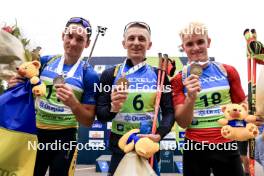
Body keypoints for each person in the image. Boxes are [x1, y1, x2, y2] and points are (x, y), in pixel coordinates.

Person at [8, 17, 99, 176]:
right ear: (62, 35)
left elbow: (88, 120)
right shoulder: (44, 61)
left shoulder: (89, 74)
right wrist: (14, 84)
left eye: (80, 39)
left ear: (87, 43)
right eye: (69, 36)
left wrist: (74, 104)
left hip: (65, 137)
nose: (72, 42)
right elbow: (22, 84)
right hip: (36, 133)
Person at [96, 21, 175, 175]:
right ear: (124, 43)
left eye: (141, 39)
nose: (136, 43)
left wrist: (159, 134)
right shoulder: (110, 74)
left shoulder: (159, 76)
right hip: (120, 145)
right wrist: (113, 108)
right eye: (131, 38)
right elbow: (101, 115)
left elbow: (169, 112)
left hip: (147, 144)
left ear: (149, 44)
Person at [171, 22, 246, 176]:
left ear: (208, 42)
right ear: (183, 47)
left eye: (200, 42)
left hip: (226, 144)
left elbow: (241, 106)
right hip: (195, 147)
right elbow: (183, 122)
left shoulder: (227, 71)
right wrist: (190, 99)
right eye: (189, 44)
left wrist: (247, 115)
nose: (196, 48)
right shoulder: (179, 79)